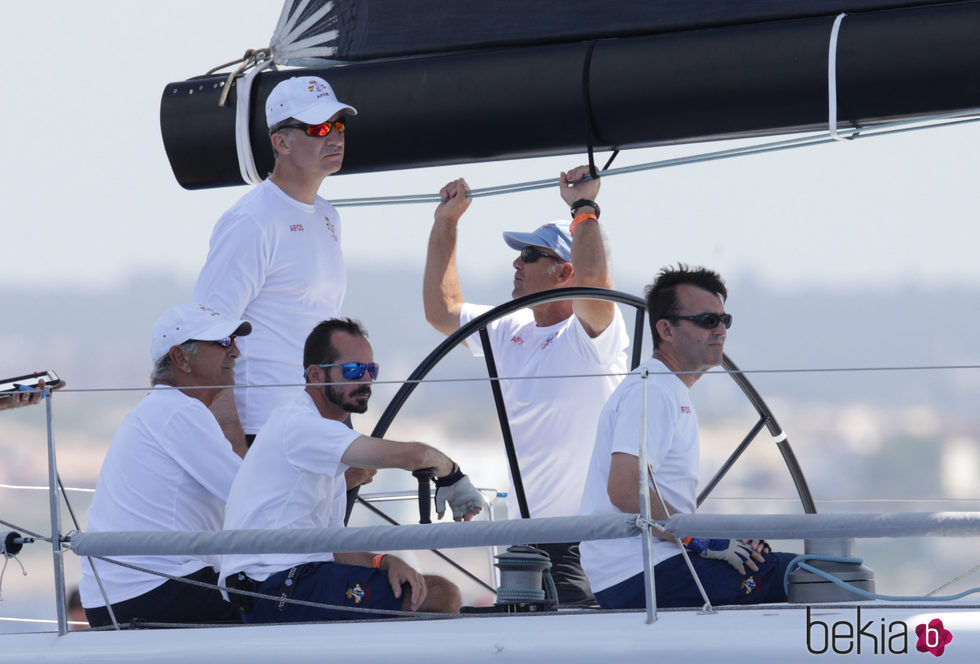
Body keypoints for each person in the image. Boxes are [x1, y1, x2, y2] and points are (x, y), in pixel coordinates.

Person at [422, 165, 629, 605]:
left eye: (531, 256)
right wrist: (446, 223)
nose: (517, 262)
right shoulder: (508, 327)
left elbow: (595, 286)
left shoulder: (592, 336)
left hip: (586, 542)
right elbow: (443, 310)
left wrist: (583, 208)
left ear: (563, 271)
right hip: (526, 542)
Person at [220, 318, 483, 623]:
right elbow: (415, 455)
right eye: (354, 370)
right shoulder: (303, 426)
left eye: (372, 370)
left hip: (288, 579)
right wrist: (451, 473)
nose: (366, 380)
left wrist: (385, 562)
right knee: (441, 594)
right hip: (273, 585)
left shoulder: (313, 435)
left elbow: (328, 547)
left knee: (418, 585)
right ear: (316, 375)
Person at [579, 265, 796, 609]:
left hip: (647, 567)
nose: (721, 331)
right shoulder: (654, 391)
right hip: (641, 573)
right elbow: (623, 490)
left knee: (769, 565)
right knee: (805, 572)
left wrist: (718, 540)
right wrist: (700, 538)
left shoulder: (666, 389)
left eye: (725, 321)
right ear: (666, 329)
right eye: (708, 321)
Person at [193, 75, 357, 456]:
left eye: (338, 125)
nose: (333, 137)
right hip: (264, 428)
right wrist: (235, 447)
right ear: (280, 142)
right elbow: (207, 332)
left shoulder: (329, 216)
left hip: (319, 419)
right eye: (317, 127)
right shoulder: (252, 221)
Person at [79, 304, 251, 627]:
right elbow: (249, 493)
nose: (236, 352)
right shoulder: (179, 410)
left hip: (116, 595)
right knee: (286, 604)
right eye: (223, 342)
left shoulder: (159, 409)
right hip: (152, 590)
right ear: (180, 358)